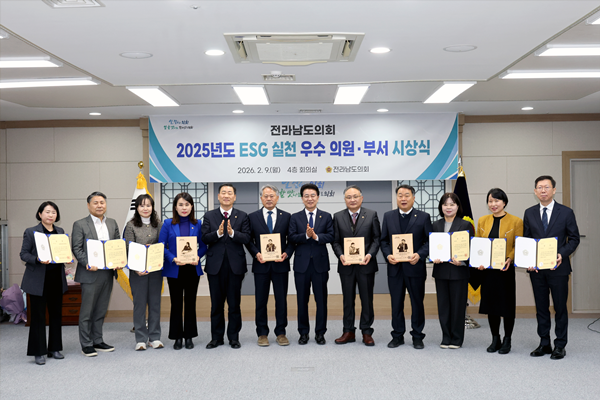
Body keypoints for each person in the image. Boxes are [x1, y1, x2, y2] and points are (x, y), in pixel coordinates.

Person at [524, 175, 580, 360]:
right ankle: (544, 343)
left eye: (546, 187)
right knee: (541, 307)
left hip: (559, 269)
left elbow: (574, 239)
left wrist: (561, 254)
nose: (543, 190)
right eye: (539, 187)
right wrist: (528, 260)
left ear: (554, 190)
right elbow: (527, 241)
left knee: (560, 307)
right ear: (535, 191)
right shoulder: (529, 213)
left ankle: (560, 345)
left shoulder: (566, 212)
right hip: (537, 270)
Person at [381, 184, 432, 349]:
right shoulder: (388, 216)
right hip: (395, 269)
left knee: (417, 303)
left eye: (407, 195)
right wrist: (388, 255)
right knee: (396, 303)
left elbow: (429, 241)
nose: (403, 198)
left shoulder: (423, 217)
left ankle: (417, 336)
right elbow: (384, 241)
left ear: (413, 198)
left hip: (415, 268)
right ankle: (397, 335)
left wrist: (420, 254)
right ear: (396, 198)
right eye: (400, 195)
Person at [201, 183, 251, 349]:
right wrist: (218, 233)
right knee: (216, 304)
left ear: (234, 197)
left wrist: (232, 233)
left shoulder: (242, 216)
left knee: (234, 304)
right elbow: (204, 238)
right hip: (215, 266)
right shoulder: (209, 215)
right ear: (218, 196)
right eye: (223, 192)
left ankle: (234, 337)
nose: (226, 195)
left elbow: (246, 238)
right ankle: (216, 338)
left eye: (230, 193)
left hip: (235, 266)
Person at [20, 201, 70, 365]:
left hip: (56, 278)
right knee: (38, 316)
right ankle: (38, 351)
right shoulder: (31, 232)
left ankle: (55, 348)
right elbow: (24, 254)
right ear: (40, 214)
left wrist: (67, 258)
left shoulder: (60, 232)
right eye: (47, 212)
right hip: (38, 280)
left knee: (56, 314)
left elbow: (62, 252)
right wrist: (37, 259)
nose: (51, 215)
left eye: (54, 212)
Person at [72, 192, 121, 357]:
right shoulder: (80, 224)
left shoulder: (112, 223)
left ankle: (97, 340)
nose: (99, 205)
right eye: (95, 202)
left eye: (102, 202)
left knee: (101, 309)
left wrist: (118, 260)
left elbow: (117, 245)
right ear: (88, 205)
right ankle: (86, 344)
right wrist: (87, 263)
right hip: (90, 273)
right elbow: (76, 248)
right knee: (87, 311)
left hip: (107, 273)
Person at [246, 185, 295, 347]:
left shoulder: (286, 216)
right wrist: (256, 253)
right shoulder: (252, 217)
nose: (269, 199)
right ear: (261, 198)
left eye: (272, 196)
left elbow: (292, 240)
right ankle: (262, 333)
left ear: (277, 198)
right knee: (261, 301)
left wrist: (286, 253)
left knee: (281, 300)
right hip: (261, 265)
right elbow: (248, 240)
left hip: (280, 265)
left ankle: (281, 332)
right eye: (265, 196)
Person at [331, 185, 381, 346]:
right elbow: (335, 241)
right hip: (346, 265)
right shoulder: (337, 216)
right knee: (348, 299)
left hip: (366, 264)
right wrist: (340, 255)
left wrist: (369, 255)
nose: (352, 200)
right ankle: (348, 331)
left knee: (367, 299)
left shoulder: (372, 214)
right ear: (345, 199)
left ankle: (367, 331)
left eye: (355, 196)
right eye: (348, 197)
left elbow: (377, 239)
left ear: (361, 198)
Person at [476, 188, 522, 355]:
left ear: (504, 202)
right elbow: (478, 244)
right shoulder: (482, 220)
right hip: (488, 271)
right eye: (490, 201)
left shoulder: (516, 221)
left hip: (505, 270)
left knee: (506, 306)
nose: (493, 204)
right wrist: (479, 260)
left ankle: (507, 339)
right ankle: (495, 338)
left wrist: (510, 257)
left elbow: (518, 244)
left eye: (496, 201)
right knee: (491, 306)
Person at [159, 192, 207, 350]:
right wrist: (173, 258)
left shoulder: (198, 224)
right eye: (180, 205)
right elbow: (161, 246)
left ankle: (189, 336)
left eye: (187, 204)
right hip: (175, 268)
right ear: (175, 207)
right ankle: (177, 337)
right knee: (176, 303)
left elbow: (204, 246)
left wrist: (197, 256)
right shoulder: (168, 224)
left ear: (192, 206)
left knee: (190, 303)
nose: (184, 208)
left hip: (192, 269)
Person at [289, 183, 334, 345]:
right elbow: (291, 237)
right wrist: (306, 236)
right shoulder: (295, 217)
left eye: (312, 195)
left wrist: (316, 237)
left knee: (321, 300)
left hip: (320, 265)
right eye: (306, 196)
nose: (310, 198)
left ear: (318, 197)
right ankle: (303, 333)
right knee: (302, 300)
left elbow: (331, 236)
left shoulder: (326, 216)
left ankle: (320, 333)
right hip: (301, 265)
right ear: (302, 198)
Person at [431, 193, 474, 349]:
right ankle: (446, 337)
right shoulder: (435, 225)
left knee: (458, 306)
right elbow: (432, 246)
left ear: (457, 207)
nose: (448, 207)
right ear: (441, 207)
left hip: (458, 272)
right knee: (443, 306)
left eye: (452, 204)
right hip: (441, 271)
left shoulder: (465, 225)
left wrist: (462, 261)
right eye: (445, 204)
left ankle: (456, 338)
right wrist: (433, 256)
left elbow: (471, 248)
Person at [124, 194, 164, 351]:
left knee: (155, 304)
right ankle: (140, 339)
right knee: (139, 305)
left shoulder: (159, 224)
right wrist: (136, 268)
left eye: (148, 205)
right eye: (142, 205)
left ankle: (154, 337)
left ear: (152, 207)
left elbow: (163, 245)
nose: (145, 208)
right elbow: (128, 249)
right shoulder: (131, 225)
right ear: (137, 208)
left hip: (155, 271)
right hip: (137, 272)